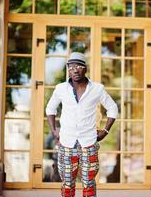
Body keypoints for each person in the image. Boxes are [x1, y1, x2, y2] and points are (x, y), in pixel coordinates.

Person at [46, 52, 118, 197]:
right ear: (68, 69)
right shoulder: (61, 88)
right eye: (71, 66)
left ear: (85, 68)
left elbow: (113, 108)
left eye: (79, 66)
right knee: (67, 183)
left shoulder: (97, 89)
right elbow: (50, 108)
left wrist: (105, 131)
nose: (75, 69)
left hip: (89, 142)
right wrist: (54, 130)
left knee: (89, 183)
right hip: (66, 142)